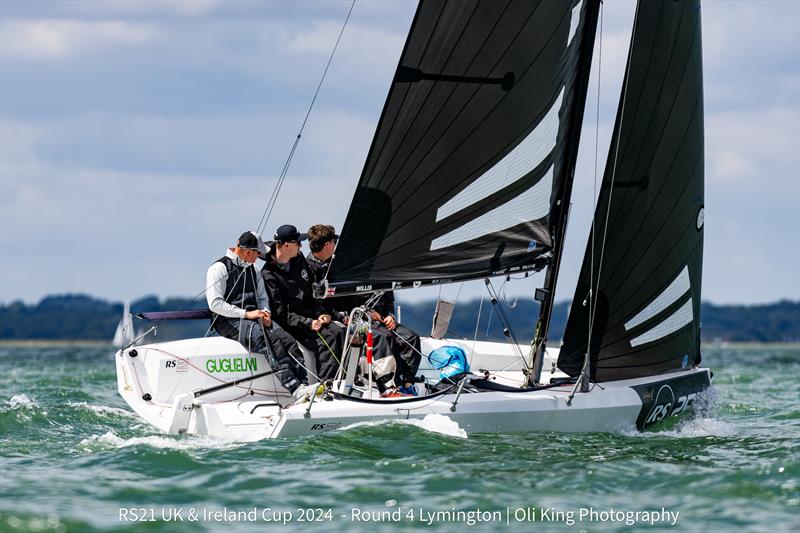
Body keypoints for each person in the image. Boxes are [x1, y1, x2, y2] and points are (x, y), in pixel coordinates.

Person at [306, 224, 422, 395]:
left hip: (381, 318)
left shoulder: (383, 271)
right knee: (383, 337)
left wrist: (389, 315)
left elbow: (389, 299)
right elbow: (345, 300)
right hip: (358, 317)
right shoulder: (344, 268)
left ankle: (407, 384)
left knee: (411, 338)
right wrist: (364, 313)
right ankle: (388, 387)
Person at [206, 230, 308, 398]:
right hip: (228, 320)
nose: (258, 257)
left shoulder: (254, 270)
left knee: (287, 339)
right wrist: (247, 314)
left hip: (255, 317)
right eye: (257, 253)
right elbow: (215, 304)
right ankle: (295, 389)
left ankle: (304, 384)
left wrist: (265, 313)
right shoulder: (219, 268)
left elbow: (262, 298)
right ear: (248, 251)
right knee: (268, 339)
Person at [261, 224, 345, 382]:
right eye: (297, 242)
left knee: (340, 332)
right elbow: (280, 313)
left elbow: (314, 290)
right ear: (286, 245)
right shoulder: (269, 274)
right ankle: (329, 386)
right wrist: (307, 322)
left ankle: (345, 381)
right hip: (295, 323)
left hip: (311, 316)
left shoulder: (298, 259)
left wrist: (321, 313)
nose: (301, 245)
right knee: (327, 339)